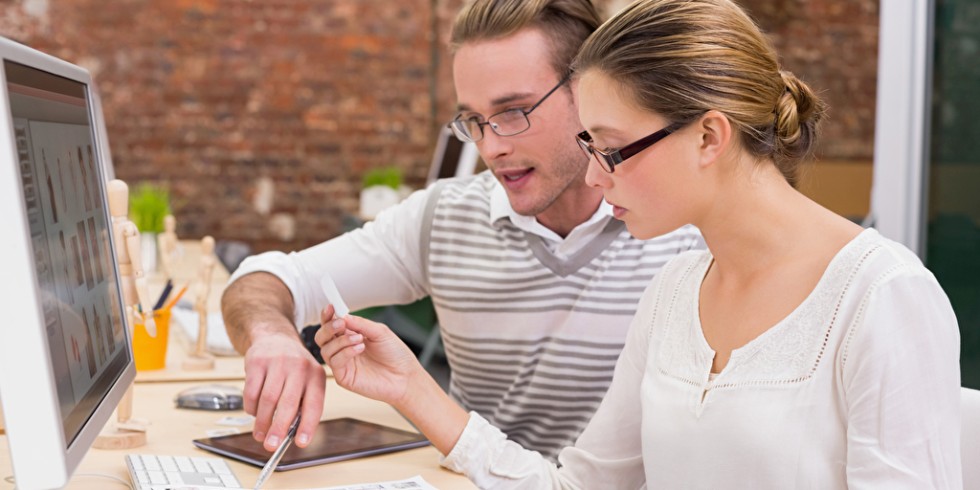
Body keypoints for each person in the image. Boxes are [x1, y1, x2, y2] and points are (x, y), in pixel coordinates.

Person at [316, 0, 963, 487]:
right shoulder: (676, 292)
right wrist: (414, 389)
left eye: (613, 150)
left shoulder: (881, 298)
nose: (596, 177)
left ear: (709, 137)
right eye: (589, 148)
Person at [221, 0, 703, 459]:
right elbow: (268, 278)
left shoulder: (682, 231)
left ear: (588, 91)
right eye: (473, 120)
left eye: (514, 111)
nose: (490, 147)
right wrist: (273, 336)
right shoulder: (444, 218)